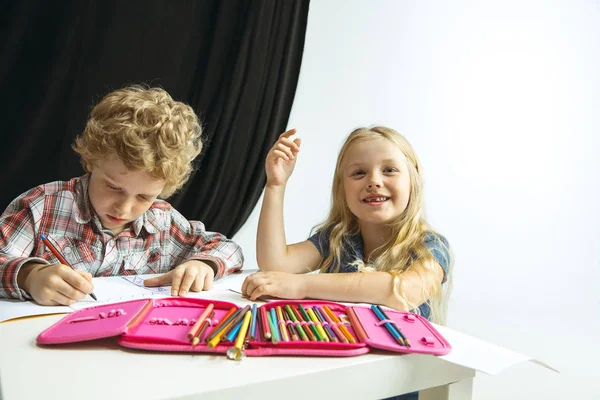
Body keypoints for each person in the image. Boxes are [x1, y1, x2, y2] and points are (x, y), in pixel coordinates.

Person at [0, 85, 244, 305]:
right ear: (91, 160)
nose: (124, 208)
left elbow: (228, 248)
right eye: (114, 187)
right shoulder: (42, 206)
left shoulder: (162, 221)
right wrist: (30, 276)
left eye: (143, 197)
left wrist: (203, 264)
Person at [242, 126, 452, 324]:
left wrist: (300, 285)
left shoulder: (430, 247)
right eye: (359, 173)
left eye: (389, 170)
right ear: (342, 188)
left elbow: (402, 292)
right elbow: (276, 264)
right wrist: (275, 185)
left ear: (412, 182)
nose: (374, 181)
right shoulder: (337, 238)